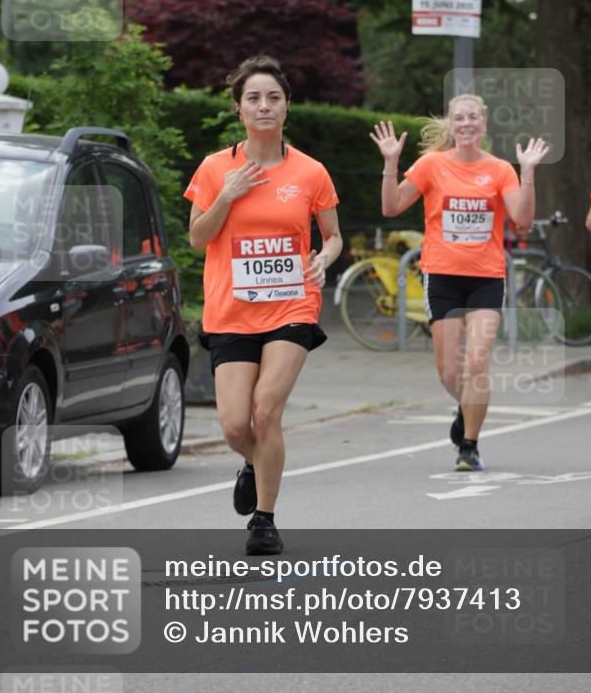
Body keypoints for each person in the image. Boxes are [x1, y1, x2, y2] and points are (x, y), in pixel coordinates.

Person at [184, 55, 342, 553]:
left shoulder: (311, 172)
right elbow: (197, 238)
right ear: (239, 108)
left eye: (274, 97)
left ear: (287, 106)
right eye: (253, 98)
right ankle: (254, 463)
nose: (264, 106)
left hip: (292, 305)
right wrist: (226, 196)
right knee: (235, 425)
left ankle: (264, 520)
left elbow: (334, 236)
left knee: (266, 410)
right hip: (231, 310)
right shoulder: (215, 168)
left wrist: (324, 259)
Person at [371, 94, 549, 471]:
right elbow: (391, 206)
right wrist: (390, 163)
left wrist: (528, 173)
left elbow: (521, 218)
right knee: (450, 372)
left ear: (484, 123)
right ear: (451, 125)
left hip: (486, 278)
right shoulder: (432, 165)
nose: (466, 124)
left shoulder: (500, 169)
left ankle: (469, 445)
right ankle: (466, 407)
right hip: (443, 277)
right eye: (459, 118)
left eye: (472, 118)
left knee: (477, 362)